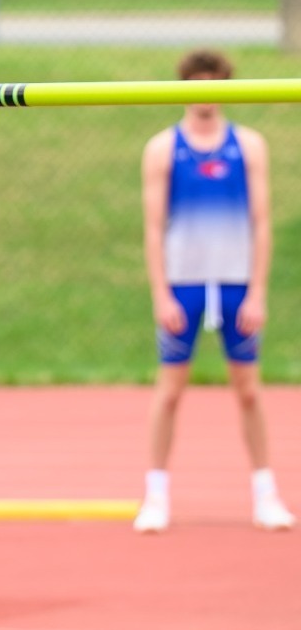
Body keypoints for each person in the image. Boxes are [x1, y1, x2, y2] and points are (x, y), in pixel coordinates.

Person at [134, 49, 293, 533]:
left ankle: (265, 491)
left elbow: (262, 222)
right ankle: (156, 493)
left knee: (248, 391)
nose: (205, 94)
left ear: (226, 85)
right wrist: (161, 293)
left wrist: (258, 291)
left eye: (214, 82)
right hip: (184, 283)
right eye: (196, 83)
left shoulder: (248, 146)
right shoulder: (164, 148)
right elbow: (154, 227)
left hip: (235, 282)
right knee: (170, 392)